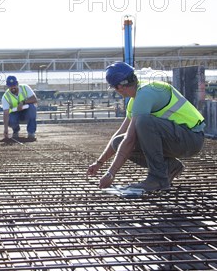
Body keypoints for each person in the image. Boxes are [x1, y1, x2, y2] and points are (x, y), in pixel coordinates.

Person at [87, 62, 205, 192]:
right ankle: (169, 167)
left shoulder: (145, 93)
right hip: (177, 139)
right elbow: (121, 133)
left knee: (143, 122)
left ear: (119, 87)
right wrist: (99, 163)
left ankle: (158, 178)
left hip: (191, 138)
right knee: (117, 142)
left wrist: (111, 173)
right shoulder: (136, 98)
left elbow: (130, 139)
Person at [2, 75, 38, 140]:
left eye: (14, 85)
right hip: (15, 115)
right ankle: (15, 131)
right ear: (7, 86)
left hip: (26, 113)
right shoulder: (5, 97)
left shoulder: (25, 88)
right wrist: (5, 129)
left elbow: (34, 99)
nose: (13, 87)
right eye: (10, 86)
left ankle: (31, 133)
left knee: (32, 107)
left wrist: (22, 103)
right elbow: (6, 113)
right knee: (11, 119)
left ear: (17, 84)